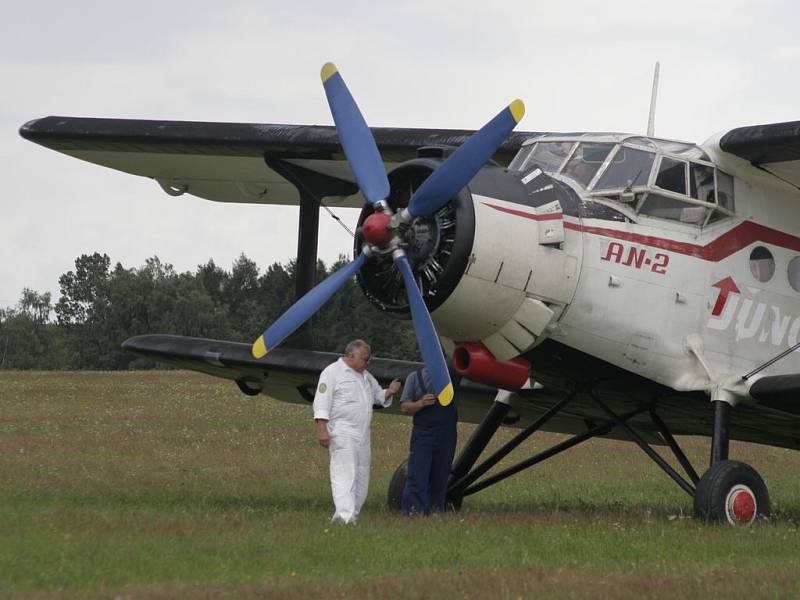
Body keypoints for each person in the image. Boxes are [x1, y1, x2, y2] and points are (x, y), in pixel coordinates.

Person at [313, 339, 401, 524]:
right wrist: (322, 429)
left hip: (363, 434)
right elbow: (321, 401)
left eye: (369, 359)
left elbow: (378, 395)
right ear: (351, 356)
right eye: (365, 358)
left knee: (362, 474)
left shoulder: (366, 376)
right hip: (343, 431)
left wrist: (390, 392)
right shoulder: (332, 373)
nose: (368, 363)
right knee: (345, 473)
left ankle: (354, 514)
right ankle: (344, 517)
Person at [400, 367, 459, 515]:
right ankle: (413, 512)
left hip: (446, 434)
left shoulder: (452, 376)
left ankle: (435, 511)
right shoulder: (414, 377)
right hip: (423, 435)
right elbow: (404, 407)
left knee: (441, 474)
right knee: (418, 473)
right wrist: (420, 403)